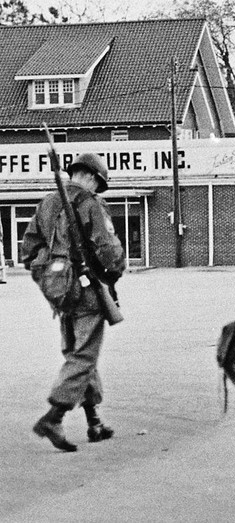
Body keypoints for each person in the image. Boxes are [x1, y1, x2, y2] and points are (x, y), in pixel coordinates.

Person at [21, 153, 125, 452]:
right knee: (83, 355)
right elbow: (109, 249)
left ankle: (94, 422)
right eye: (99, 184)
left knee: (79, 351)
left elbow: (29, 249)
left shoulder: (47, 203)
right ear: (92, 177)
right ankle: (54, 416)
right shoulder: (93, 204)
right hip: (87, 289)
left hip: (59, 291)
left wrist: (51, 275)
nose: (97, 189)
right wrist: (113, 274)